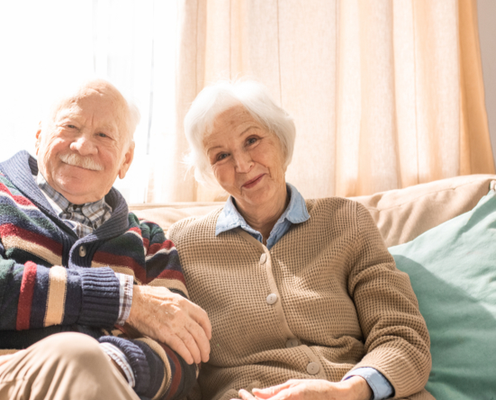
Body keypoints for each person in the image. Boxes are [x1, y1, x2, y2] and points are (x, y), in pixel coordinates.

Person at [0, 78, 211, 400]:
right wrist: (124, 301)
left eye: (103, 135)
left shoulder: (150, 242)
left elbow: (185, 349)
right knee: (79, 355)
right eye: (70, 127)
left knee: (83, 359)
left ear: (126, 160)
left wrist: (113, 363)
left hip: (103, 388)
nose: (83, 146)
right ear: (39, 137)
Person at [169, 80, 433, 400]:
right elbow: (175, 363)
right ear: (209, 171)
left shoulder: (345, 221)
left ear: (280, 139)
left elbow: (403, 336)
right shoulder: (182, 245)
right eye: (221, 155)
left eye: (252, 140)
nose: (241, 164)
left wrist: (346, 391)